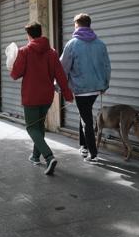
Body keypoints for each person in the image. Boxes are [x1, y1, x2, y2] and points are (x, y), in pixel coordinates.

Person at [10, 22, 73, 175]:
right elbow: (60, 75)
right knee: (39, 126)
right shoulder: (52, 52)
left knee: (31, 128)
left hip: (31, 96)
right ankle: (35, 156)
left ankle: (49, 157)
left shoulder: (24, 52)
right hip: (46, 97)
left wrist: (12, 64)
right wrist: (68, 94)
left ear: (29, 35)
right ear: (40, 32)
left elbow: (15, 75)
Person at [60, 13, 111, 164]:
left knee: (86, 120)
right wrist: (105, 84)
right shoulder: (100, 44)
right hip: (96, 88)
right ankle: (83, 146)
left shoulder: (72, 44)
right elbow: (107, 66)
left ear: (77, 25)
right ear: (89, 25)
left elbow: (62, 68)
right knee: (85, 114)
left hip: (81, 89)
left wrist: (59, 86)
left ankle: (93, 154)